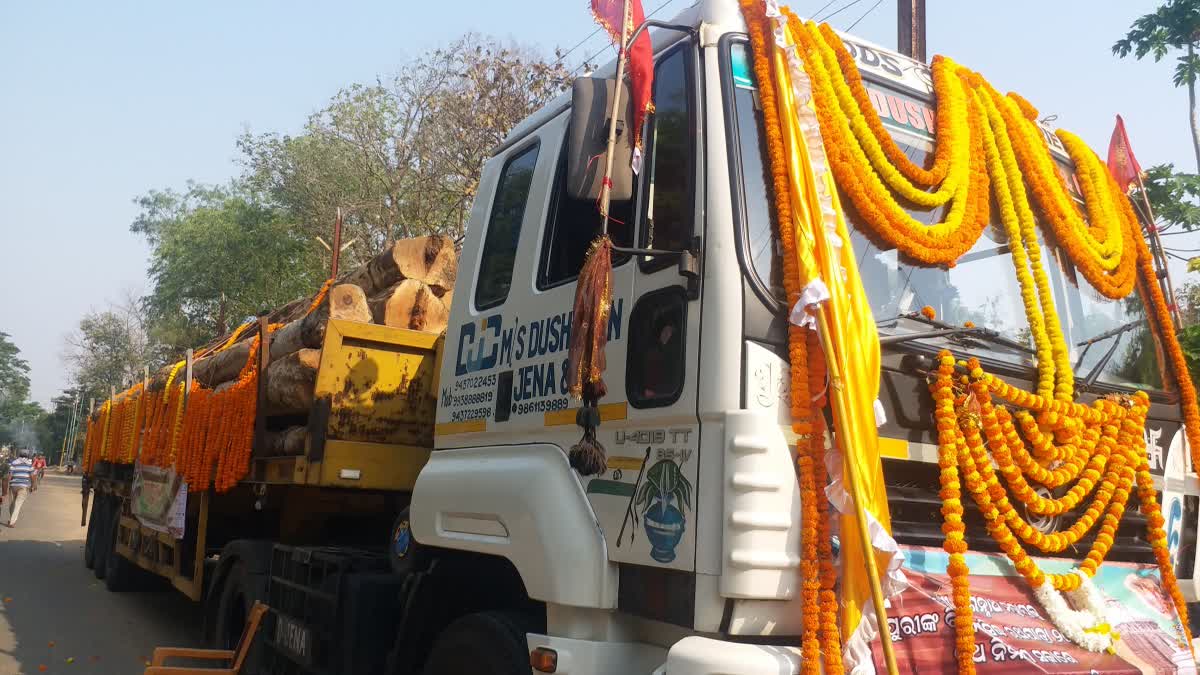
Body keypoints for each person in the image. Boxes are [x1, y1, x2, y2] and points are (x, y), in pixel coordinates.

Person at [5, 449, 36, 527]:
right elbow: (32, 476)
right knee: (17, 505)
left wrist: (7, 485)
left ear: (19, 455)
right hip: (23, 486)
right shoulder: (29, 464)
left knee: (12, 504)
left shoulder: (14, 463)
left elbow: (10, 475)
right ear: (27, 456)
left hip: (13, 486)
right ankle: (12, 522)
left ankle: (11, 519)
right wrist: (33, 485)